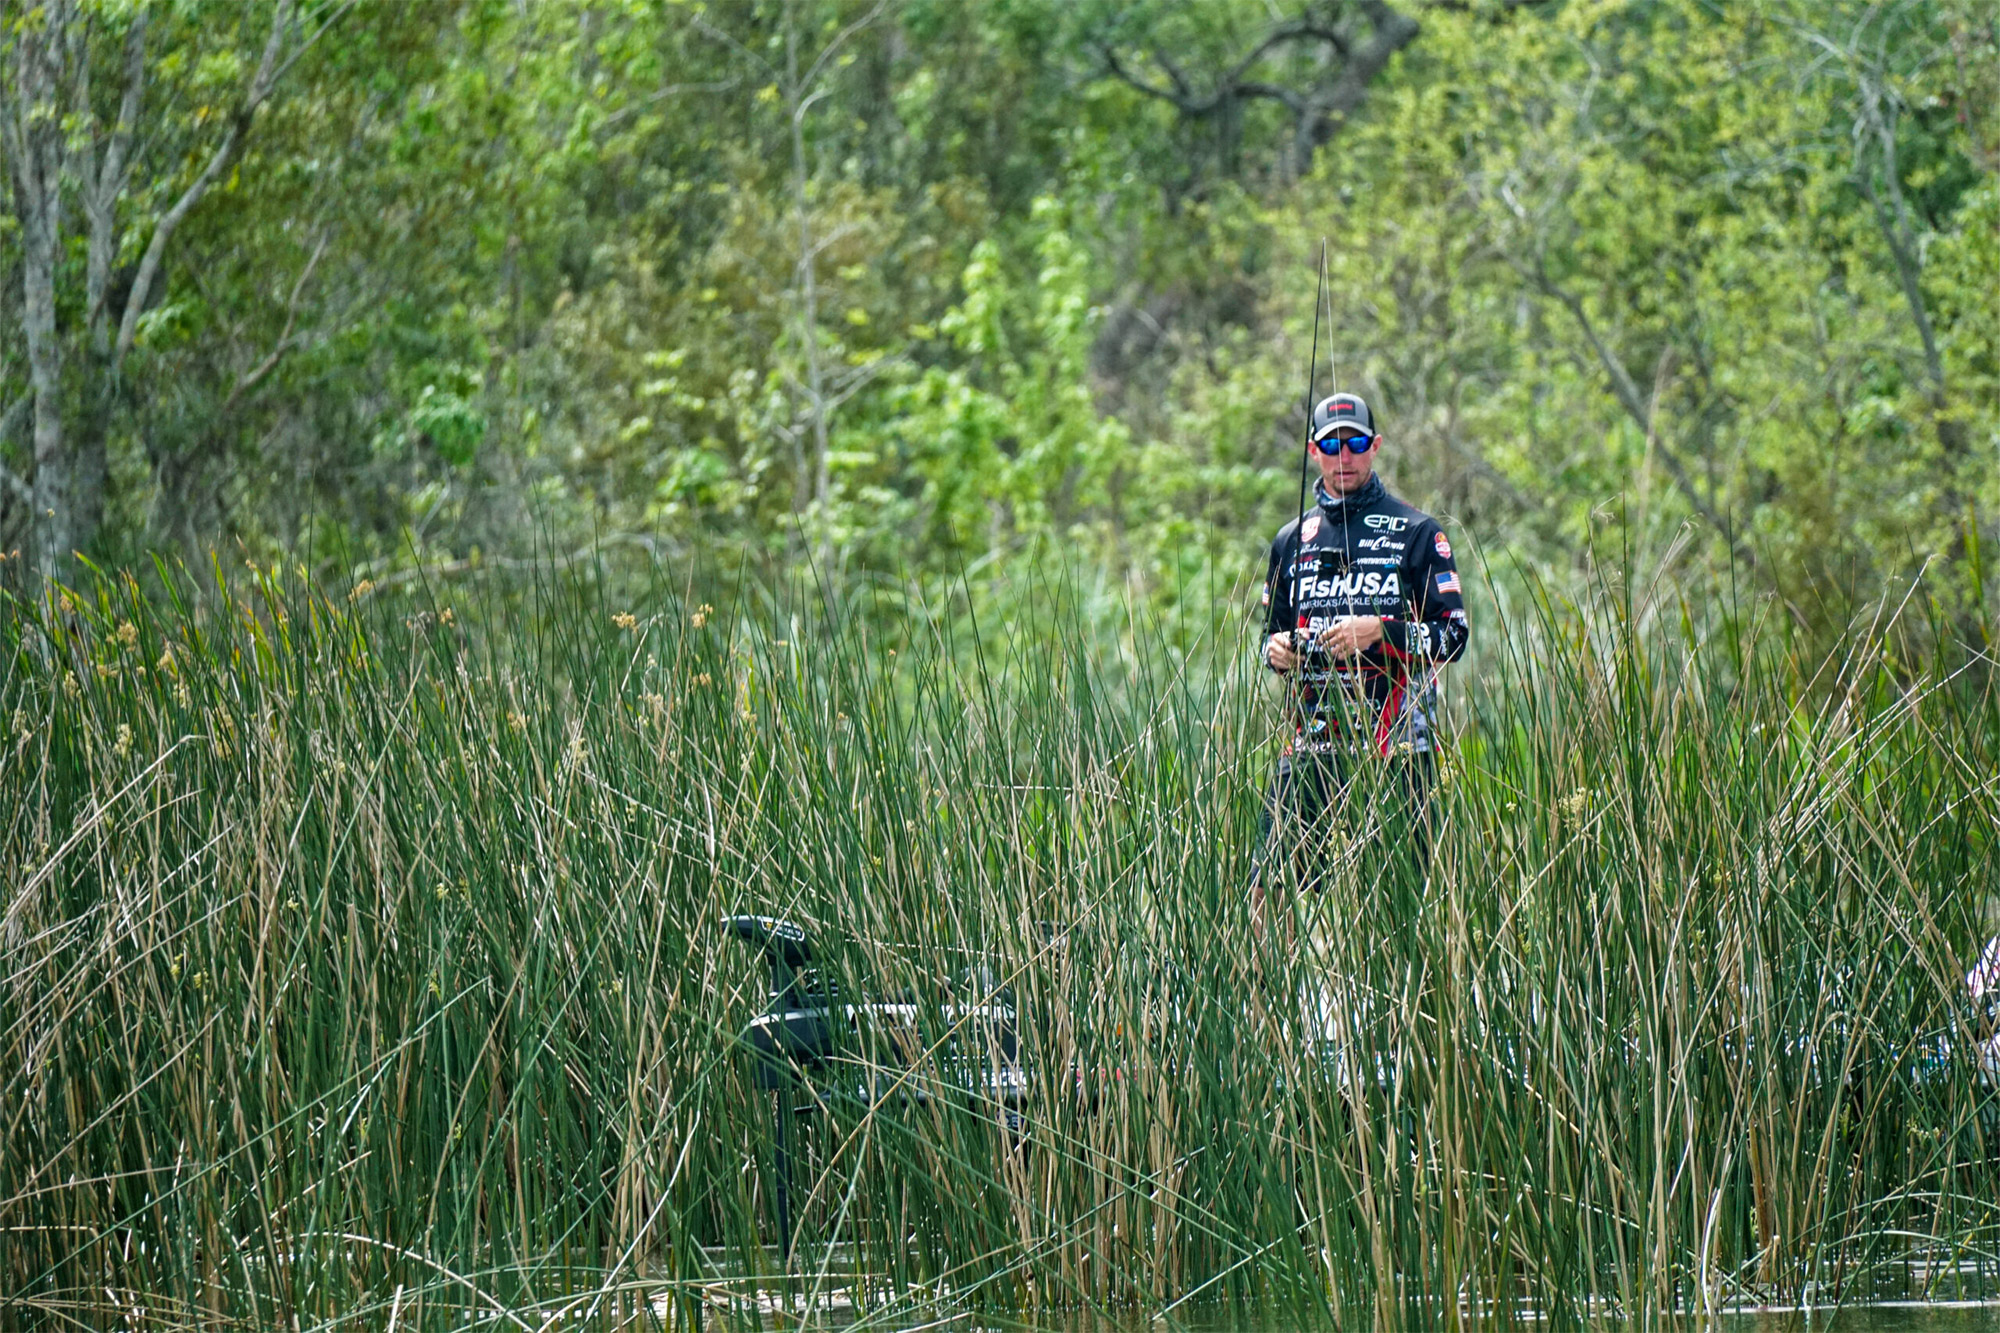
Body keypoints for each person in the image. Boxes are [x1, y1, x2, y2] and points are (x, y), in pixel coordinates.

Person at [1250, 392, 1468, 916]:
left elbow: (1453, 637)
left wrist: (1381, 632)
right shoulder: (1289, 541)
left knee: (1396, 912)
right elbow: (1269, 638)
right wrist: (1277, 651)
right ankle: (1268, 998)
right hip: (1311, 748)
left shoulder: (1419, 532)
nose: (1343, 456)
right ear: (1313, 451)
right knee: (1266, 892)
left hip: (1397, 755)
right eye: (1331, 445)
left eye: (1355, 444)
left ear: (1375, 447)